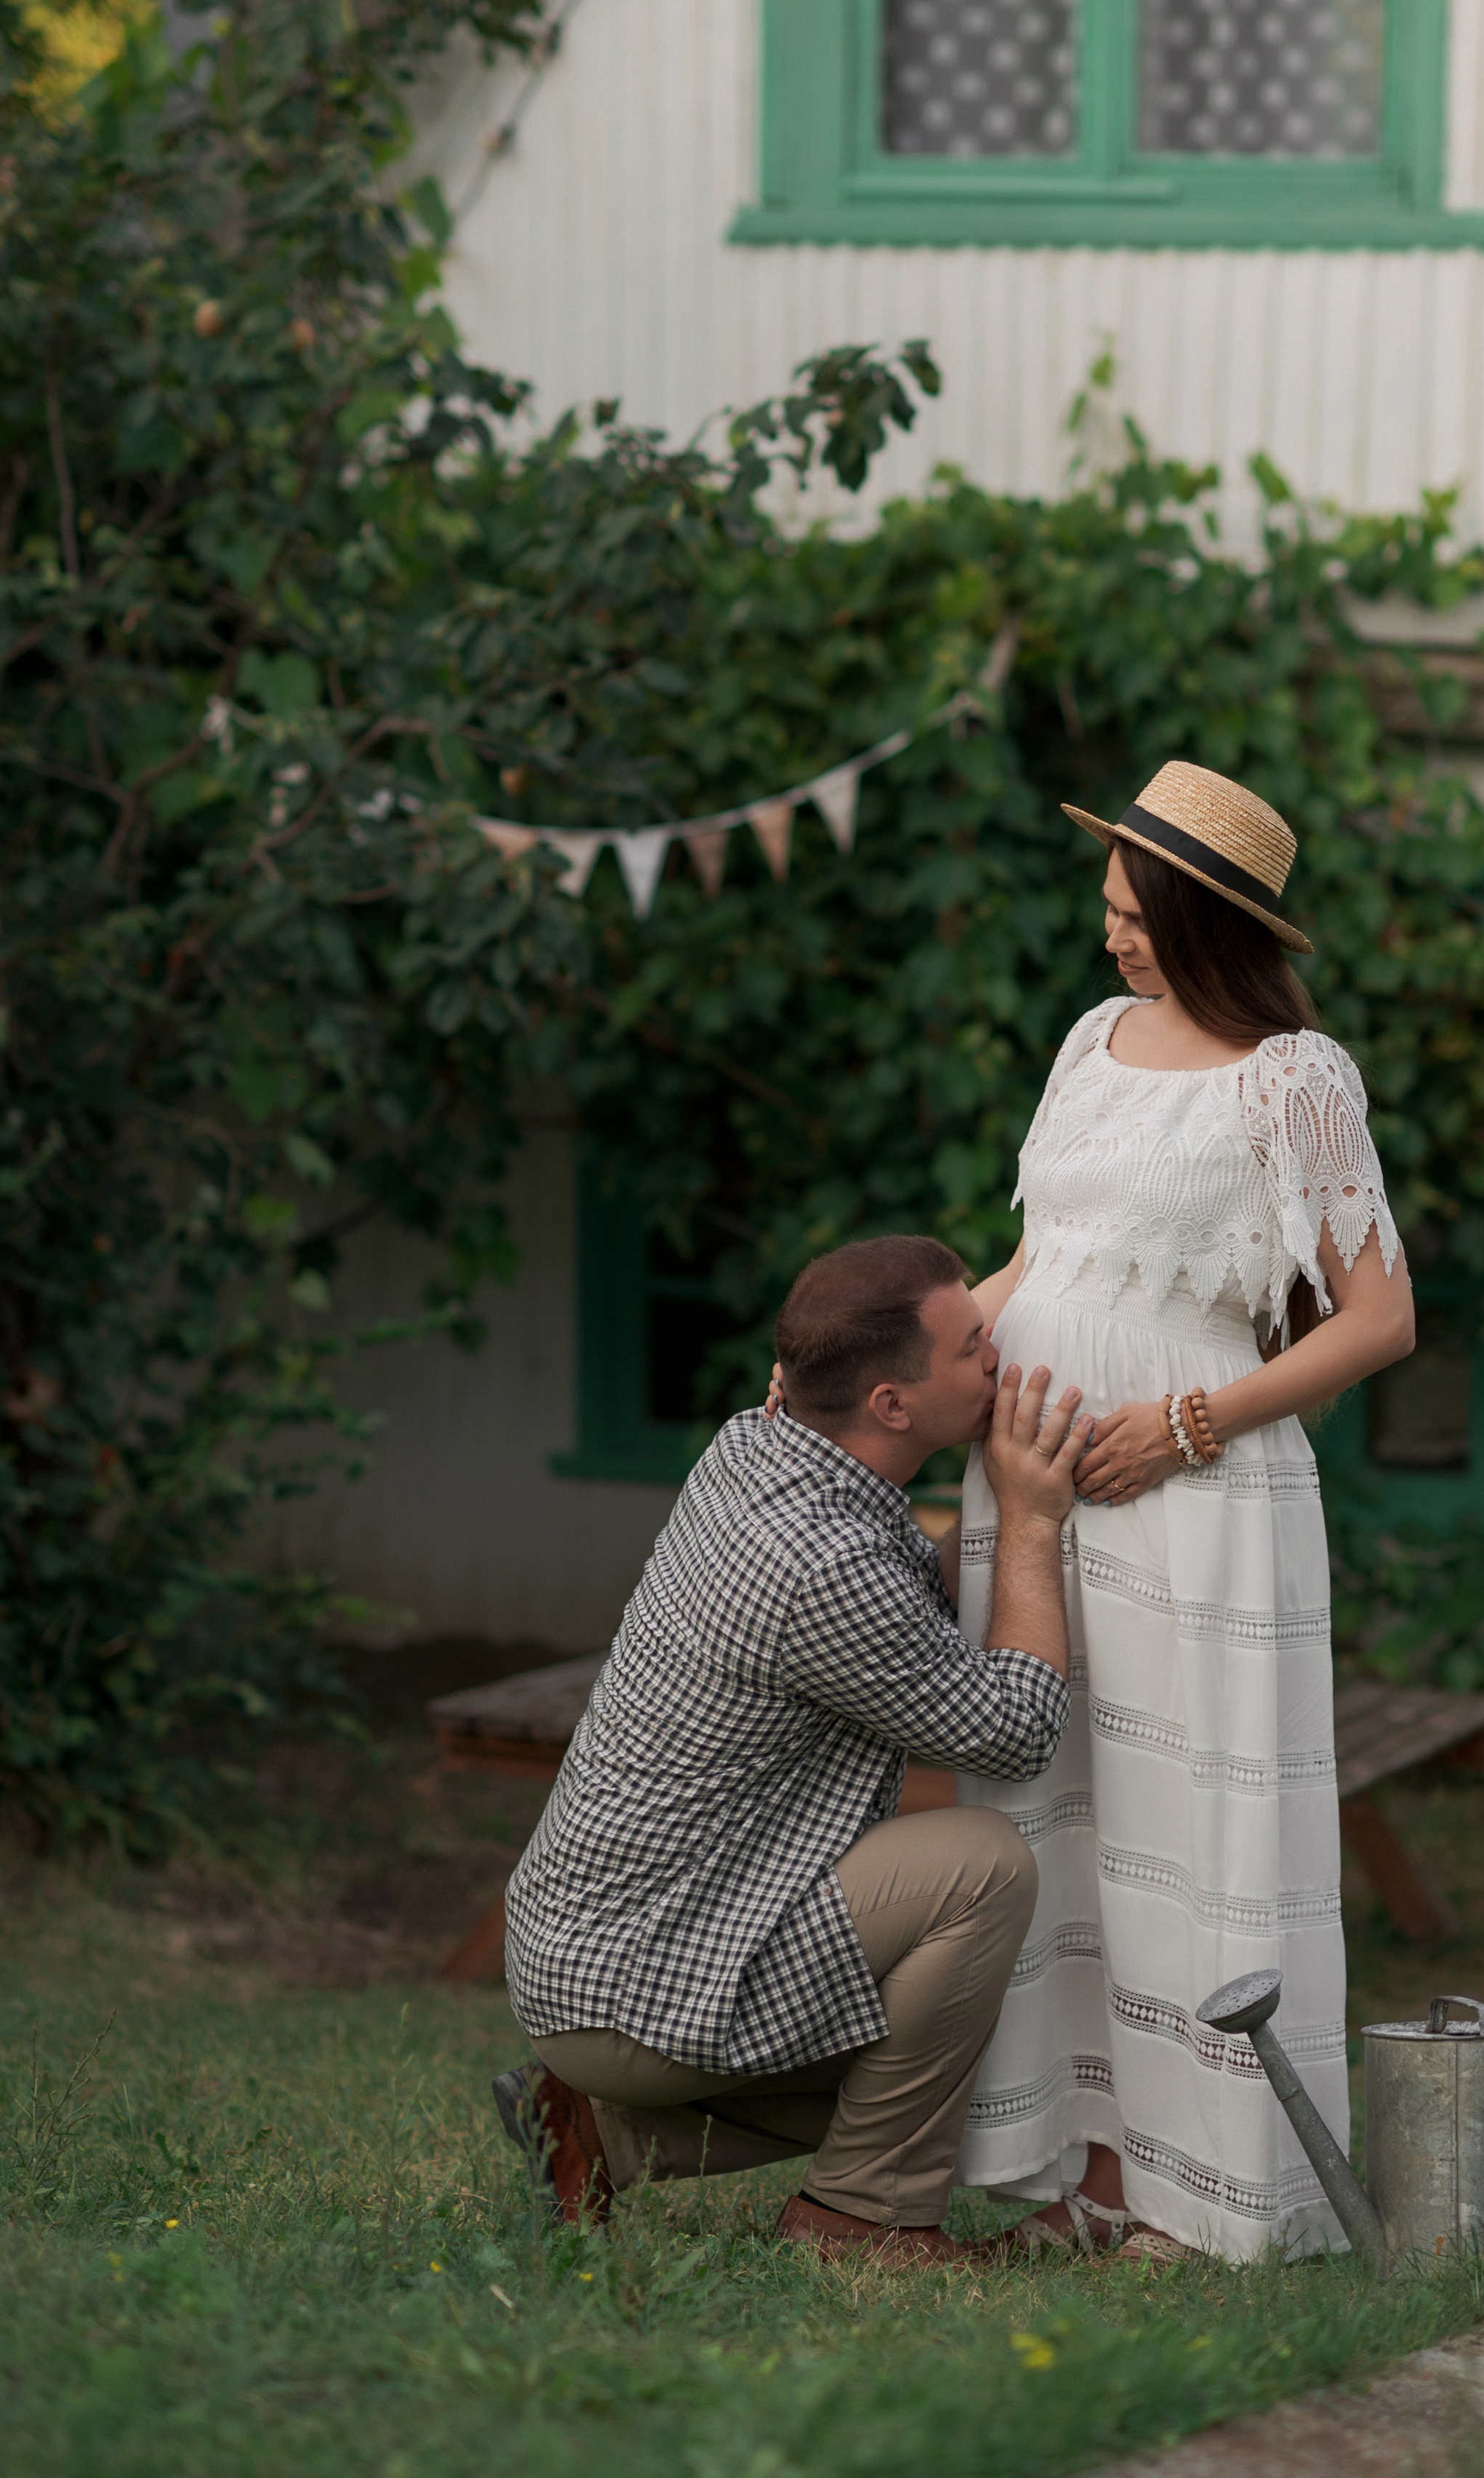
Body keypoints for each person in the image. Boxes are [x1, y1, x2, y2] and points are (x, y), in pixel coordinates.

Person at [951, 760, 1415, 2265]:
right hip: (1026, 1487)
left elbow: (1377, 1318)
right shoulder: (1088, 1044)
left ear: (1204, 918)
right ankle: (1087, 2169)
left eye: (1134, 913)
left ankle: (1208, 2205)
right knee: (1054, 1814)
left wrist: (1184, 1422)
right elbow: (1036, 1266)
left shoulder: (1295, 1078)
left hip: (1192, 1495)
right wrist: (882, 1366)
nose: (1111, 939)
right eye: (1104, 907)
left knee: (1191, 1824)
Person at [493, 1234, 1093, 2268]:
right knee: (981, 1871)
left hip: (587, 1955)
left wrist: (1058, 1244)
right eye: (973, 1348)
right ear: (891, 1405)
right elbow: (1016, 1728)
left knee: (938, 2046)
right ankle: (859, 2221)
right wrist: (1032, 1521)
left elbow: (907, 1589)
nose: (998, 1355)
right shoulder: (820, 1561)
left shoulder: (762, 1443)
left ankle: (602, 2133)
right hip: (647, 1975)